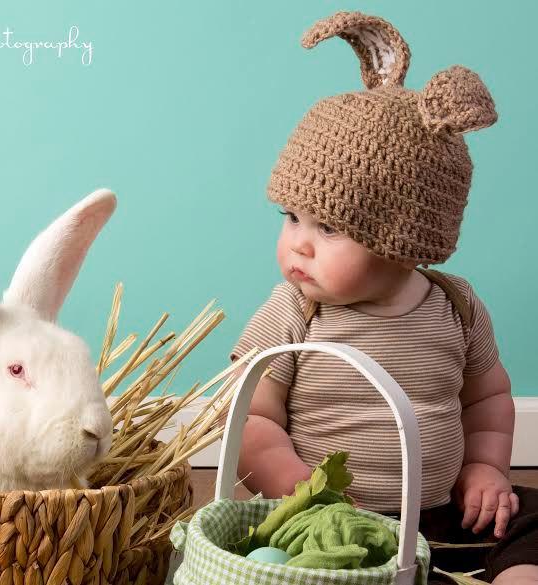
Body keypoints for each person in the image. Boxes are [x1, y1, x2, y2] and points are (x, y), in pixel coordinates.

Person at [230, 11, 538, 584]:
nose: (298, 242)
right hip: (331, 526)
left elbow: (488, 399)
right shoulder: (295, 312)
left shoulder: (456, 305)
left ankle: (508, 572)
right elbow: (252, 419)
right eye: (291, 216)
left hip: (439, 515)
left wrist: (485, 467)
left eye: (329, 229)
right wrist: (301, 493)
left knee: (526, 513)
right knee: (308, 565)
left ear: (404, 240)